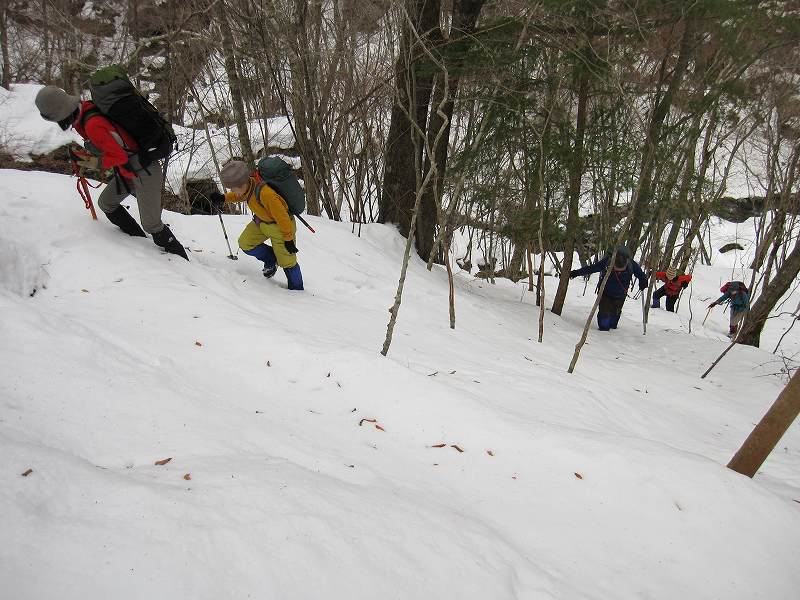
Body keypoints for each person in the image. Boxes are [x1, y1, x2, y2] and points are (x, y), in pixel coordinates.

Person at [35, 85, 187, 260]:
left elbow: (119, 156)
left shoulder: (91, 123)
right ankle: (138, 244)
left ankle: (181, 261)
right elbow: (113, 143)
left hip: (145, 170)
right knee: (107, 204)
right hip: (128, 169)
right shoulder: (84, 111)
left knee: (151, 224)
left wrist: (93, 162)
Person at [210, 161, 304, 291]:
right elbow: (241, 195)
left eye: (233, 189)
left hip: (280, 228)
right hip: (261, 222)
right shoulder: (249, 185)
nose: (232, 191)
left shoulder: (266, 194)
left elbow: (282, 217)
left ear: (242, 184)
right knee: (245, 243)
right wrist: (223, 198)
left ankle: (297, 291)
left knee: (287, 261)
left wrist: (288, 239)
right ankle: (271, 259)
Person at [569, 246, 648, 331]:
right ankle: (604, 336)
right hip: (605, 293)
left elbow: (641, 275)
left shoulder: (631, 264)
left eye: (619, 256)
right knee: (604, 322)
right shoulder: (607, 261)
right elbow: (592, 268)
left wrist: (643, 281)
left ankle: (611, 333)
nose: (617, 258)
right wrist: (576, 273)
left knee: (613, 321)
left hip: (621, 295)